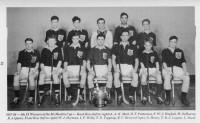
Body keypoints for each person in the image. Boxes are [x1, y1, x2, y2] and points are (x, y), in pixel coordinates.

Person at [112, 29, 139, 105]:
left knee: (136, 76)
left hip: (129, 67)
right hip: (119, 66)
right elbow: (113, 59)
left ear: (128, 36)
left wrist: (135, 70)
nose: (125, 37)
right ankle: (119, 95)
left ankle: (130, 95)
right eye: (123, 35)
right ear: (120, 37)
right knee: (116, 76)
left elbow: (136, 60)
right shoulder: (116, 46)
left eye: (126, 35)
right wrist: (115, 69)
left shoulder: (133, 47)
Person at [162, 36, 190, 106]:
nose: (173, 43)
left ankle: (184, 97)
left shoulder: (179, 51)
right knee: (167, 77)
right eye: (171, 41)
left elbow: (183, 62)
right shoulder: (165, 51)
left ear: (176, 43)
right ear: (169, 42)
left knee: (187, 77)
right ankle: (168, 97)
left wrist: (185, 71)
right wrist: (167, 71)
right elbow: (163, 62)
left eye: (175, 42)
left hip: (177, 69)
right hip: (167, 68)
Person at [12, 38, 40, 105]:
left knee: (31, 77)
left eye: (30, 43)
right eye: (27, 43)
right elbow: (19, 63)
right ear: (25, 44)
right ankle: (16, 97)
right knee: (16, 77)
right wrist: (18, 71)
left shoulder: (36, 52)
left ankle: (31, 98)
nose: (28, 45)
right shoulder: (21, 52)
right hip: (23, 70)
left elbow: (37, 64)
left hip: (34, 70)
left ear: (32, 44)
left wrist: (34, 71)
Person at [87, 33, 113, 103]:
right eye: (99, 39)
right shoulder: (92, 49)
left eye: (102, 39)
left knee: (110, 77)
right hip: (95, 68)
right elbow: (88, 63)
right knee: (89, 78)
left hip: (104, 68)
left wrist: (109, 71)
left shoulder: (107, 49)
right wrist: (90, 70)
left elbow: (110, 62)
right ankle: (94, 95)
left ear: (104, 40)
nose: (100, 41)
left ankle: (106, 95)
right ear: (96, 40)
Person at [38, 35, 62, 105]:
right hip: (46, 67)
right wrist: (43, 70)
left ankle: (57, 96)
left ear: (55, 42)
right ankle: (41, 96)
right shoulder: (44, 50)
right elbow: (41, 62)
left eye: (53, 41)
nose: (51, 42)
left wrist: (56, 70)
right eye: (50, 41)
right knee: (41, 76)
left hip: (56, 67)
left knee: (55, 76)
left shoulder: (58, 49)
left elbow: (60, 61)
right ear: (47, 41)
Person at [63, 33, 87, 103]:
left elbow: (84, 61)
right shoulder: (67, 48)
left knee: (84, 74)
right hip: (70, 68)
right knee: (64, 74)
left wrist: (83, 69)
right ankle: (70, 94)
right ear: (72, 39)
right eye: (73, 39)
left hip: (80, 67)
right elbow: (65, 61)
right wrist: (65, 69)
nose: (75, 40)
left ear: (79, 39)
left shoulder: (83, 48)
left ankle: (80, 95)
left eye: (77, 38)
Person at [139, 39, 163, 105]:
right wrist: (144, 69)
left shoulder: (154, 53)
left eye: (149, 45)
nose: (147, 47)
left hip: (153, 69)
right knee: (143, 78)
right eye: (146, 45)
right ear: (144, 46)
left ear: (151, 46)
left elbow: (157, 62)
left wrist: (158, 70)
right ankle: (144, 96)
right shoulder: (142, 53)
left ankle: (158, 96)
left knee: (159, 78)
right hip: (144, 69)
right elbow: (141, 63)